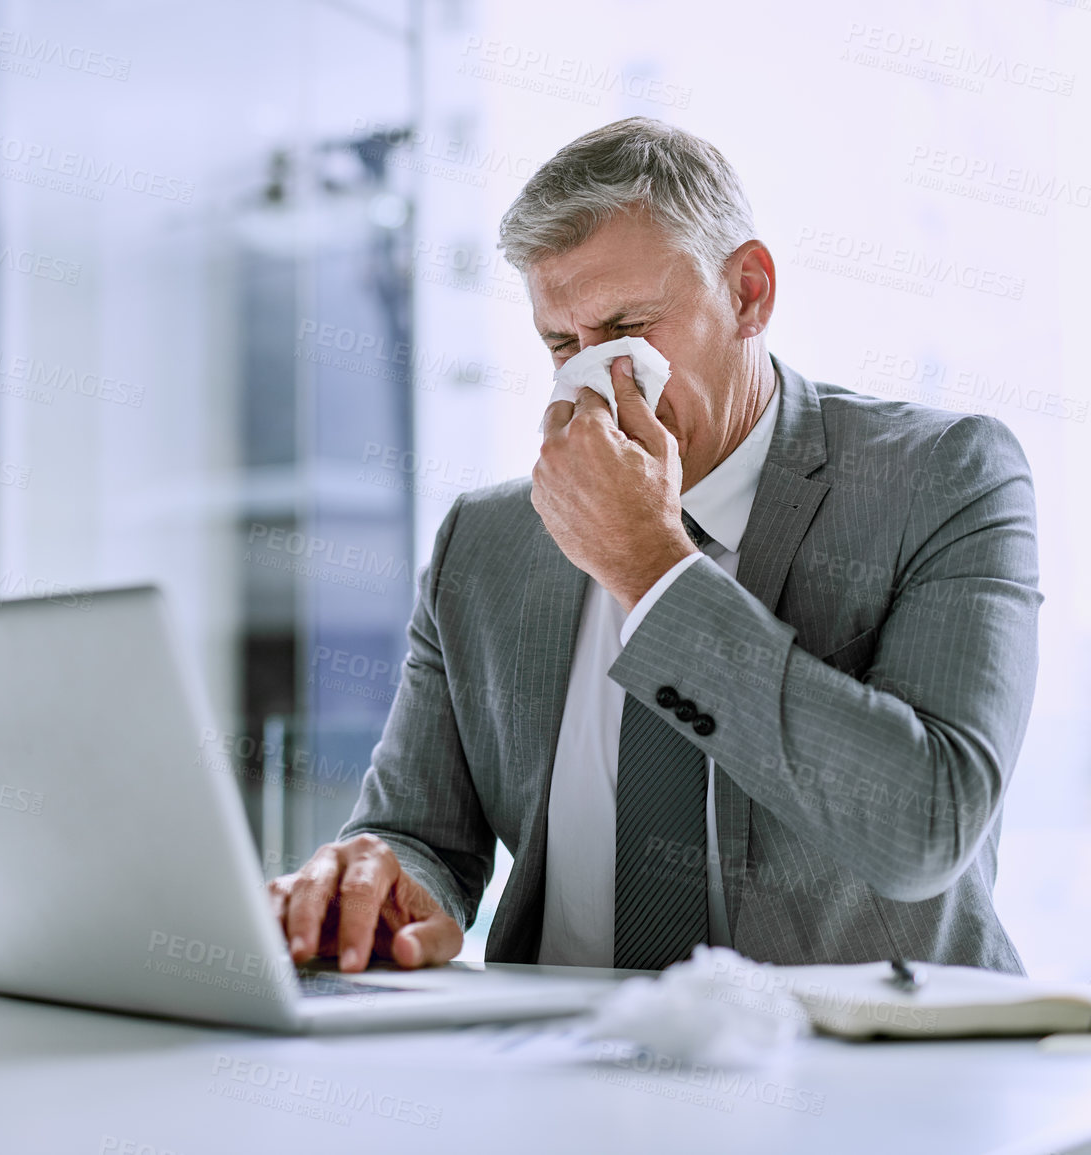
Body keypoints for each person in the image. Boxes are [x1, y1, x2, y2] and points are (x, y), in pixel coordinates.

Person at [268, 117, 1041, 975]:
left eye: (628, 330)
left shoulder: (946, 476)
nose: (595, 378)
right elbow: (418, 835)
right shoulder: (484, 542)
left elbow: (924, 827)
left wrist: (651, 568)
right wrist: (384, 880)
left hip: (859, 1081)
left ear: (748, 293)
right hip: (556, 1072)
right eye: (561, 343)